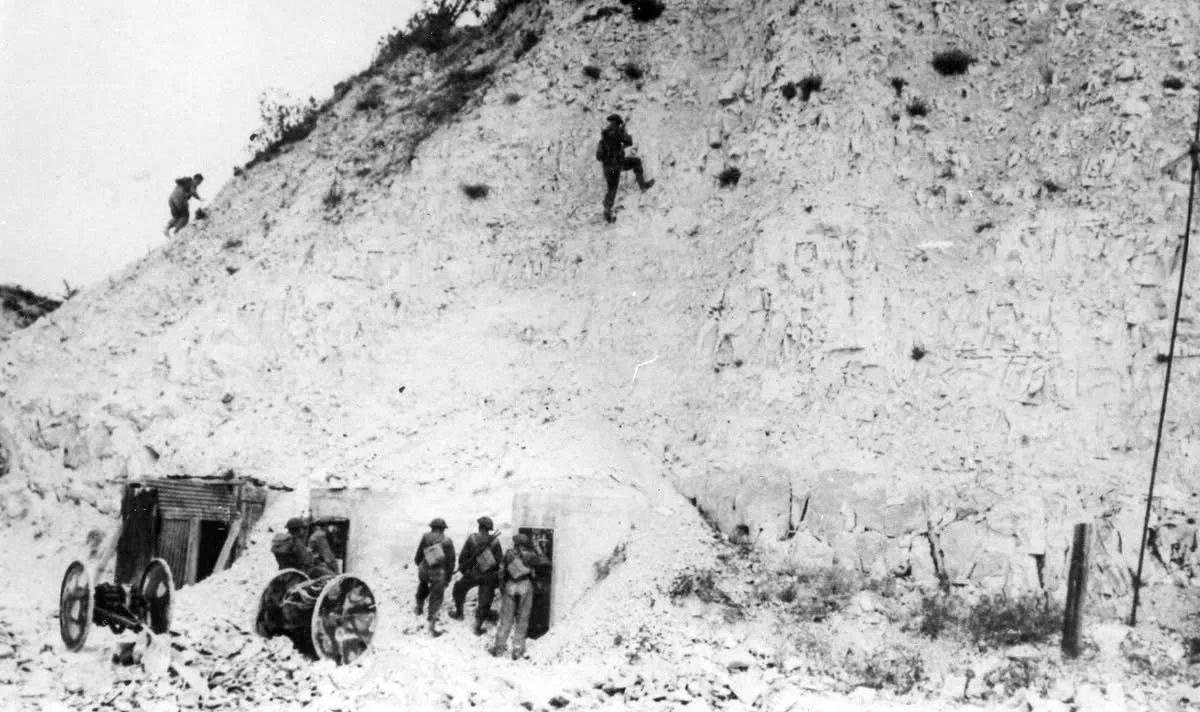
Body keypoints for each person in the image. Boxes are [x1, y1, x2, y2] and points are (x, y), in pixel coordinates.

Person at [490, 533, 550, 660]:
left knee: (506, 619)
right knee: (522, 618)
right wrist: (537, 547)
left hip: (510, 585)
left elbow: (501, 572)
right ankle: (517, 650)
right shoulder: (530, 555)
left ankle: (499, 648)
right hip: (525, 585)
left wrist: (502, 587)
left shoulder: (508, 554)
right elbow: (545, 561)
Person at [595, 114, 654, 223]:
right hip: (617, 165)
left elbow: (598, 156)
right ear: (618, 123)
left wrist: (609, 156)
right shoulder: (619, 133)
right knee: (636, 162)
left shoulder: (604, 137)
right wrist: (623, 133)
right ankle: (643, 185)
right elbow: (629, 142)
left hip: (607, 167)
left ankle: (607, 212)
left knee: (611, 189)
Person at [450, 516, 503, 635]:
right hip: (488, 575)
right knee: (486, 598)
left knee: (459, 587)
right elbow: (499, 560)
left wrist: (466, 573)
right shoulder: (495, 541)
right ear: (489, 529)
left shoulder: (472, 538)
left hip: (473, 574)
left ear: (479, 526)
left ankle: (459, 613)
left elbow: (463, 558)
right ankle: (478, 626)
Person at [414, 518, 455, 637]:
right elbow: (451, 562)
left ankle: (419, 607)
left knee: (423, 584)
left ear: (431, 527)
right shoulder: (447, 541)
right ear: (443, 529)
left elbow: (418, 556)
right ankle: (431, 626)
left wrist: (421, 565)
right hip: (438, 573)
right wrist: (447, 578)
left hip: (424, 570)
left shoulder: (426, 537)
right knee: (436, 597)